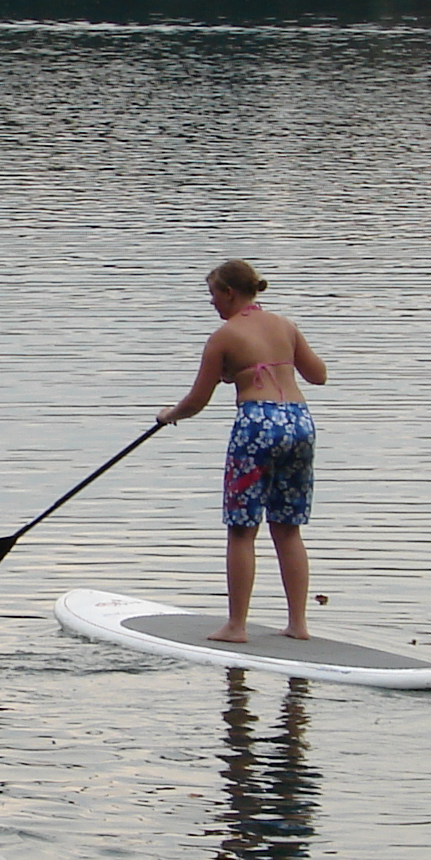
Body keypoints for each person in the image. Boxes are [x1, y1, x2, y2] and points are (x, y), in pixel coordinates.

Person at [155, 258, 329, 643]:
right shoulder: (285, 325)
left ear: (230, 292)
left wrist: (170, 415)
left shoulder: (224, 336)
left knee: (242, 531)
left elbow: (197, 400)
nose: (212, 303)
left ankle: (236, 626)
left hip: (257, 425)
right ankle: (298, 625)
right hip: (299, 422)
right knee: (287, 529)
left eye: (213, 294)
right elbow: (318, 375)